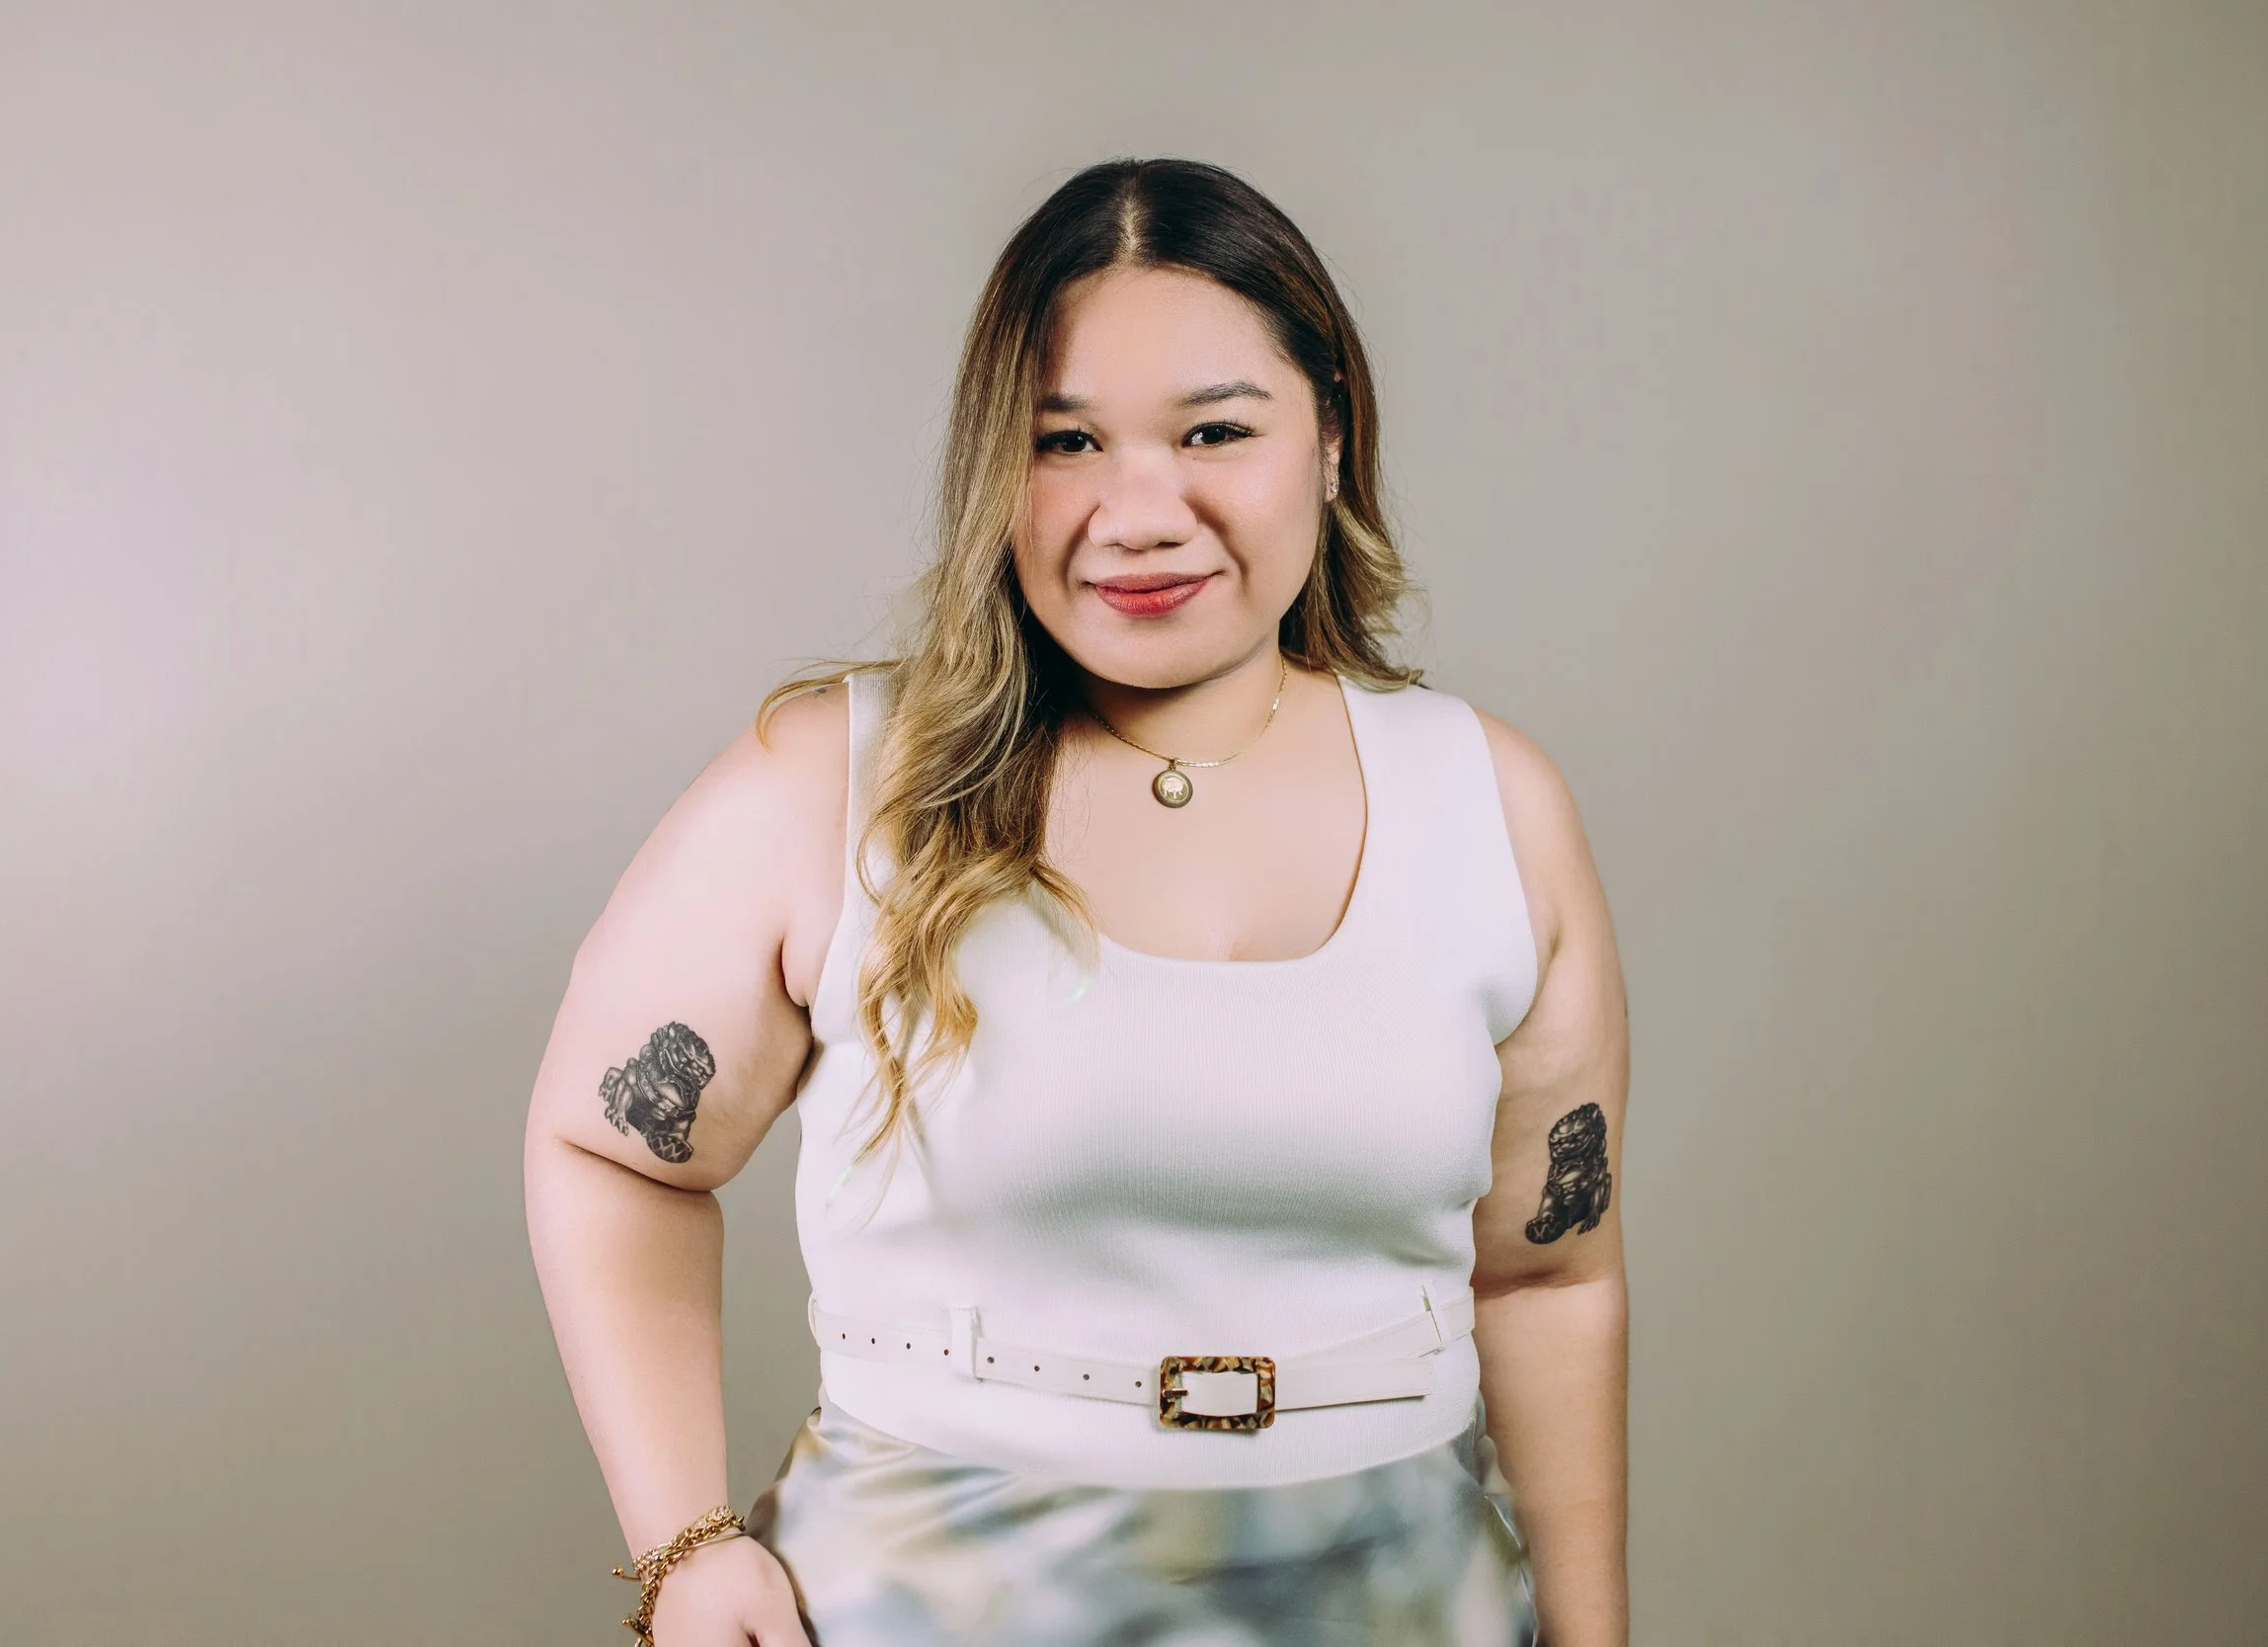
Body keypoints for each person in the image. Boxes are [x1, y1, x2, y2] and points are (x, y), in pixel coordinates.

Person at [525, 156, 1630, 1647]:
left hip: (1402, 1599)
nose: (1137, 511)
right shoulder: (834, 786)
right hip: (928, 1605)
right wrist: (686, 1544)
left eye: (1214, 432)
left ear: (1329, 436)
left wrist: (1593, 1632)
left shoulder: (1492, 806)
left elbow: (1550, 1276)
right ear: (998, 465)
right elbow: (613, 1149)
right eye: (1067, 442)